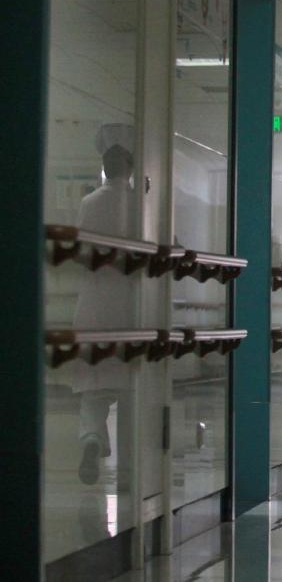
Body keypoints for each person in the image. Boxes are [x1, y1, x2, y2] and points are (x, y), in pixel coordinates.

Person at [75, 123, 139, 484]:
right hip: (131, 306)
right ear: (130, 167)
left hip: (95, 304)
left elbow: (83, 254)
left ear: (105, 166)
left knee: (93, 390)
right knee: (131, 388)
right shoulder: (142, 205)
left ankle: (92, 439)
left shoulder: (90, 203)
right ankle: (131, 469)